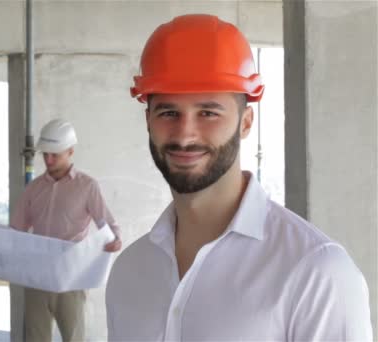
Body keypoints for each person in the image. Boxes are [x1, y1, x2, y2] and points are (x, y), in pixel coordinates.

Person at [106, 14, 373, 341]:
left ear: (246, 122)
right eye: (169, 112)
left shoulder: (316, 272)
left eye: (208, 113)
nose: (185, 134)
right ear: (149, 120)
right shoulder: (129, 271)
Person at [11, 118, 122, 342]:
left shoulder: (87, 186)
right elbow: (15, 231)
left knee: (73, 338)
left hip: (72, 277)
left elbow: (107, 224)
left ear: (70, 151)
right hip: (37, 276)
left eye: (55, 154)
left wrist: (116, 239)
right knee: (35, 338)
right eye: (45, 154)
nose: (49, 160)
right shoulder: (33, 189)